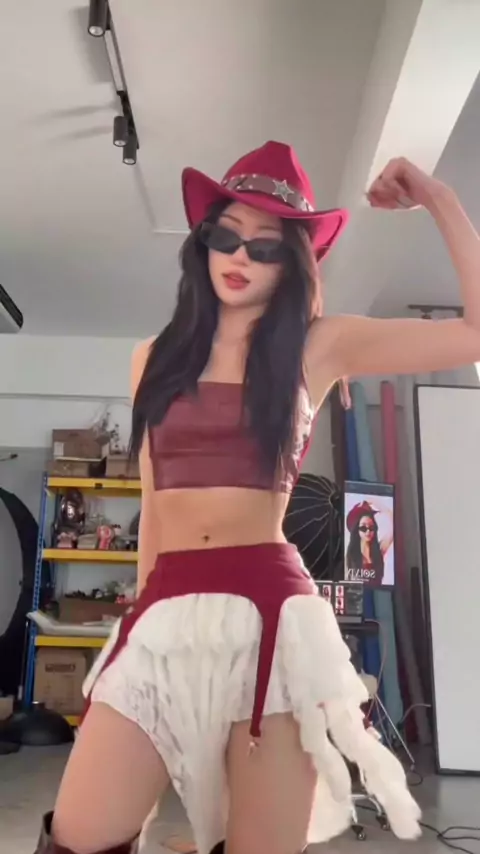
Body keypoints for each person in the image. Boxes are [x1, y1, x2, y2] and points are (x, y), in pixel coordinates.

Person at [35, 140, 480, 854]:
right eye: (226, 236)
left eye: (265, 246)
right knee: (79, 838)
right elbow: (155, 500)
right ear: (203, 244)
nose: (239, 256)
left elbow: (475, 332)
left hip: (271, 618)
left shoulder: (320, 346)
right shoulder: (154, 357)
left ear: (294, 262)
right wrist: (141, 609)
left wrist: (438, 196)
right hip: (166, 614)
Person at [346, 499, 393, 584]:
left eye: (371, 528)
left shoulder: (379, 550)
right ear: (357, 530)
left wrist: (374, 501)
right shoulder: (350, 556)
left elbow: (394, 522)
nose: (368, 531)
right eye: (363, 528)